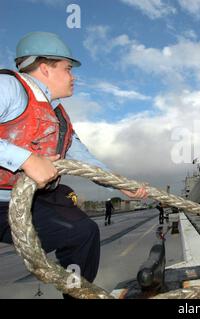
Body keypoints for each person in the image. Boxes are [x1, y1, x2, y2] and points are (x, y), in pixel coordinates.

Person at [0, 32, 148, 297]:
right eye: (67, 69)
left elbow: (84, 159)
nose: (73, 76)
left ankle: (79, 293)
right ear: (45, 68)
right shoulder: (9, 88)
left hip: (37, 195)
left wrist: (121, 184)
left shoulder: (58, 115)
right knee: (78, 231)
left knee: (83, 232)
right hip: (3, 201)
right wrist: (27, 159)